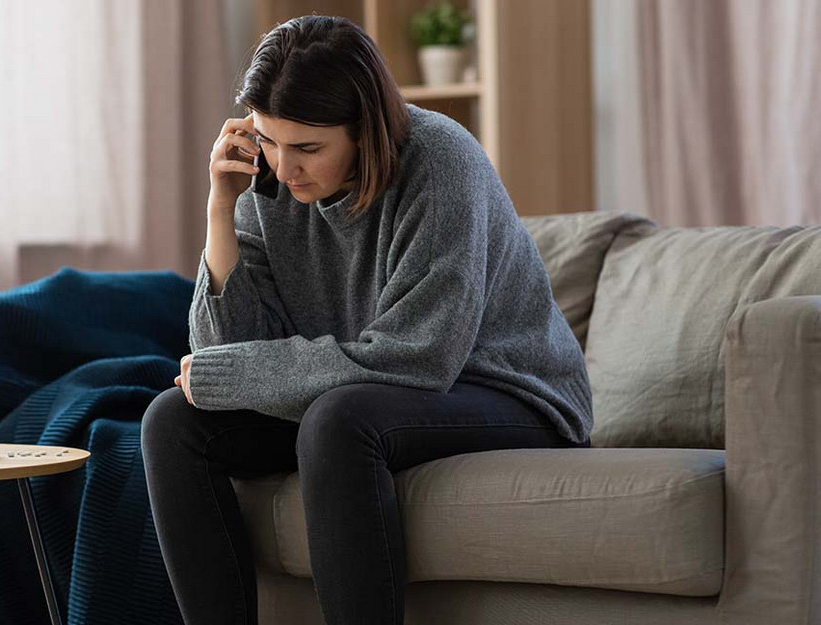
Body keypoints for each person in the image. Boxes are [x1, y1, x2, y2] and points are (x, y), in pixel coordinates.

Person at [140, 14, 591, 625]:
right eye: (270, 141)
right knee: (173, 420)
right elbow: (227, 363)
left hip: (507, 391)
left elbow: (420, 356)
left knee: (338, 419)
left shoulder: (440, 159)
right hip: (364, 393)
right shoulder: (270, 180)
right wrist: (221, 210)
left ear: (365, 129)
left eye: (308, 148)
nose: (285, 166)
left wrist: (233, 374)